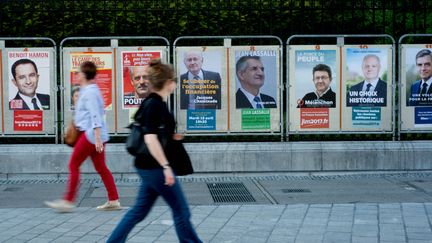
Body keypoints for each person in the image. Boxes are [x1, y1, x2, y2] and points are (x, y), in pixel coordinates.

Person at [107, 59, 202, 243]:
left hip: (148, 167)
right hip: (156, 168)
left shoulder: (155, 102)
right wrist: (166, 167)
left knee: (138, 212)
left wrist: (172, 137)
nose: (175, 83)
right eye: (173, 79)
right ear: (168, 83)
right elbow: (150, 138)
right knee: (181, 210)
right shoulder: (155, 105)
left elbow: (156, 134)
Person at [44, 61, 120, 212]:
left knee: (73, 165)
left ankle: (68, 201)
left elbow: (95, 115)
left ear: (85, 75)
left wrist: (97, 138)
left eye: (78, 72)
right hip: (94, 135)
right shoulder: (88, 90)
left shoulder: (90, 92)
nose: (77, 75)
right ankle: (113, 200)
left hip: (91, 135)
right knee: (101, 167)